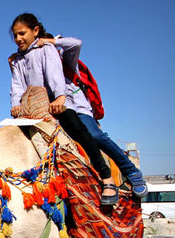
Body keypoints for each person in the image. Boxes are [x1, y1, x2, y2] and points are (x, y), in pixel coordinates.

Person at [9, 13, 119, 207]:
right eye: (15, 35)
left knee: (80, 132)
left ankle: (107, 178)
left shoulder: (46, 48)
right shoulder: (18, 60)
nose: (18, 38)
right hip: (30, 109)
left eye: (22, 33)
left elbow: (54, 74)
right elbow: (17, 84)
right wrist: (15, 104)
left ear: (35, 31)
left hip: (53, 103)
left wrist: (60, 96)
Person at [35, 35, 147, 198]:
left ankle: (129, 172)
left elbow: (76, 43)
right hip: (49, 111)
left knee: (95, 135)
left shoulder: (63, 58)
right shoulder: (35, 62)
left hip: (76, 108)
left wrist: (50, 42)